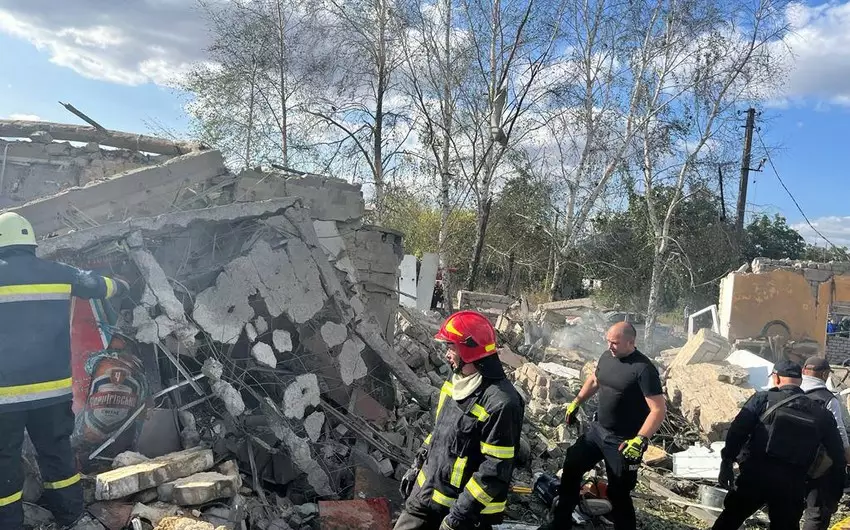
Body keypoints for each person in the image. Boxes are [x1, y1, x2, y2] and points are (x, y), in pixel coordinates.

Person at [0, 212, 128, 530]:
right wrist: (122, 285)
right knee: (57, 454)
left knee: (4, 460)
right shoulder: (58, 272)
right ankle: (71, 517)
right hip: (52, 394)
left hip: (4, 399)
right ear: (30, 243)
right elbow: (101, 285)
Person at [395, 310, 524, 530]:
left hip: (461, 512)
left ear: (469, 349)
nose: (446, 353)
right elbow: (440, 433)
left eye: (451, 346)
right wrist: (417, 466)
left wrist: (458, 518)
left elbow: (493, 471)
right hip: (426, 497)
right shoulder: (457, 381)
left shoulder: (502, 403)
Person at [540, 321, 666, 530]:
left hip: (624, 442)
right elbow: (595, 380)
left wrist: (641, 439)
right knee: (572, 466)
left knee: (618, 492)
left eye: (615, 342)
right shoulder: (608, 357)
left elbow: (658, 410)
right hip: (598, 431)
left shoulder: (644, 369)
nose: (610, 346)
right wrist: (576, 402)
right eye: (608, 341)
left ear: (630, 342)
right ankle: (560, 523)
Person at [712, 360, 846, 530]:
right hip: (792, 485)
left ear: (776, 378)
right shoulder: (822, 414)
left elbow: (737, 432)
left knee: (728, 522)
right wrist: (835, 492)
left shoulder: (763, 399)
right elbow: (837, 455)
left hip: (755, 477)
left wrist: (727, 463)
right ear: (800, 380)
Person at [800, 357, 850, 530]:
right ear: (825, 374)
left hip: (784, 461)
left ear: (803, 371)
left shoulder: (785, 394)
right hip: (817, 465)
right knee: (816, 513)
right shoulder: (829, 400)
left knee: (786, 510)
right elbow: (840, 432)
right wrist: (845, 457)